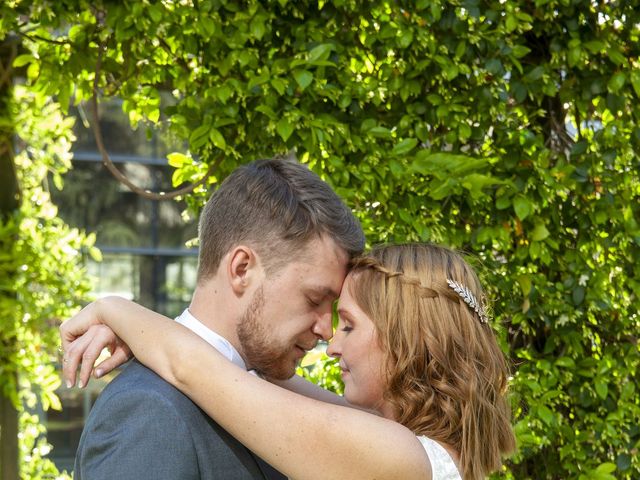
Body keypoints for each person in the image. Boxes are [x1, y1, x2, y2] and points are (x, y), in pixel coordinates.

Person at [61, 243, 516, 480]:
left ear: (408, 341)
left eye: (351, 326)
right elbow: (247, 371)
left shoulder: (400, 458)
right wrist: (141, 334)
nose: (331, 344)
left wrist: (114, 308)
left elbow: (197, 370)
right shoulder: (412, 446)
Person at [68, 157, 366, 480]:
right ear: (242, 270)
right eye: (314, 299)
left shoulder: (266, 394)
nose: (326, 330)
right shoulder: (148, 411)